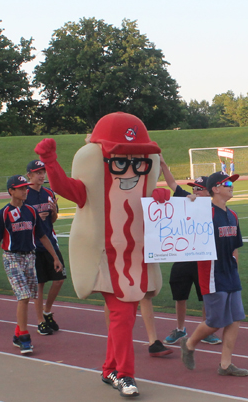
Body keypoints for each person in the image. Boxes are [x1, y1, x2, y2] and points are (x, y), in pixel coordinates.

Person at [35, 112, 166, 397]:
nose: (130, 171)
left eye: (138, 163)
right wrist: (51, 163)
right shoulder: (93, 189)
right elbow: (66, 188)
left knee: (126, 316)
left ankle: (109, 368)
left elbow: (153, 208)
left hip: (135, 260)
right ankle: (125, 374)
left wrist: (159, 198)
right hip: (105, 260)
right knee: (122, 316)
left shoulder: (142, 187)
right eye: (120, 162)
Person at [84, 136, 171, 357]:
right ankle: (116, 339)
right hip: (111, 242)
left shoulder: (141, 166)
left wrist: (159, 197)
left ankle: (152, 340)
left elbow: (149, 187)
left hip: (138, 241)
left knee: (144, 293)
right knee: (113, 292)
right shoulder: (103, 169)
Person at [180, 171, 248, 377]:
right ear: (215, 189)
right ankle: (190, 344)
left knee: (235, 318)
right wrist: (189, 203)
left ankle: (226, 365)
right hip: (211, 273)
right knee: (215, 321)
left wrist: (235, 266)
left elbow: (235, 246)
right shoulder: (205, 213)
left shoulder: (233, 215)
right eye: (227, 183)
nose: (231, 185)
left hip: (230, 273)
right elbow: (184, 222)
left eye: (232, 182)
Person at [0, 175, 63, 354]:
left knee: (28, 296)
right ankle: (24, 337)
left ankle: (17, 331)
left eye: (25, 188)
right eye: (20, 188)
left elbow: (43, 236)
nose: (24, 191)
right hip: (12, 258)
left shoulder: (31, 211)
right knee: (23, 296)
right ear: (11, 191)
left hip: (30, 257)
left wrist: (55, 258)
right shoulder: (3, 214)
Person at [160, 156, 222, 345]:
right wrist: (163, 163)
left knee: (205, 296)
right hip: (183, 257)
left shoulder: (214, 206)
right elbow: (171, 182)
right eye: (193, 187)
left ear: (208, 191)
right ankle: (180, 329)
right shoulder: (185, 199)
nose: (194, 190)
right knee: (180, 294)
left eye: (198, 188)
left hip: (203, 258)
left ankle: (206, 329)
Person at [25, 159, 66, 335]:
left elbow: (53, 219)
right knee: (39, 284)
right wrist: (35, 217)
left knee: (59, 278)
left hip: (50, 241)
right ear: (29, 175)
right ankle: (40, 321)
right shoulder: (24, 195)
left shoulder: (49, 192)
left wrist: (52, 212)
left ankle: (47, 311)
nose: (42, 175)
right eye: (38, 173)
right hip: (33, 245)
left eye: (43, 172)